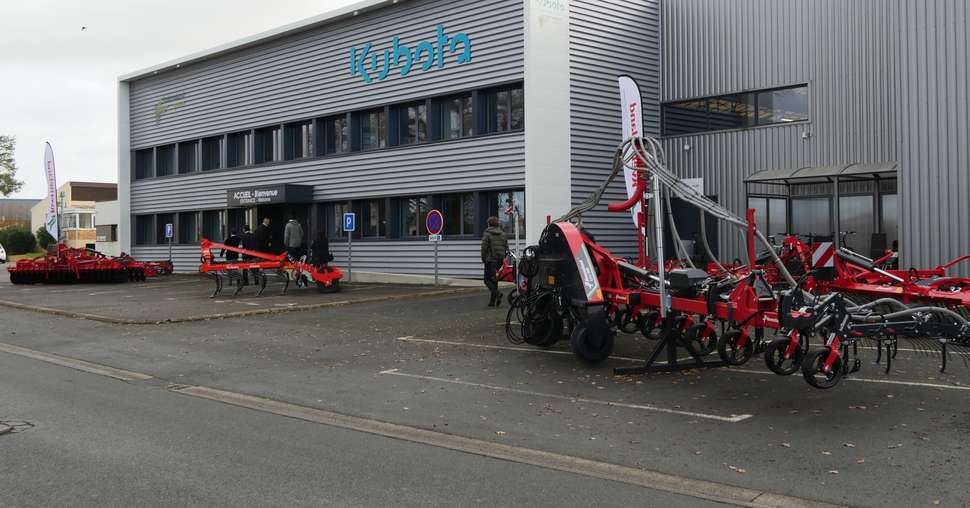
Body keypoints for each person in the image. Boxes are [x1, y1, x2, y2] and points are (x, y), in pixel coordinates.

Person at [481, 216, 509, 308]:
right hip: (499, 260)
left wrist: (483, 258)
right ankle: (492, 302)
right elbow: (506, 248)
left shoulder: (487, 233)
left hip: (490, 260)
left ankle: (497, 293)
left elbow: (484, 248)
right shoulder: (503, 234)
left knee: (487, 279)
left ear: (489, 224)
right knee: (494, 279)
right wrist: (503, 258)